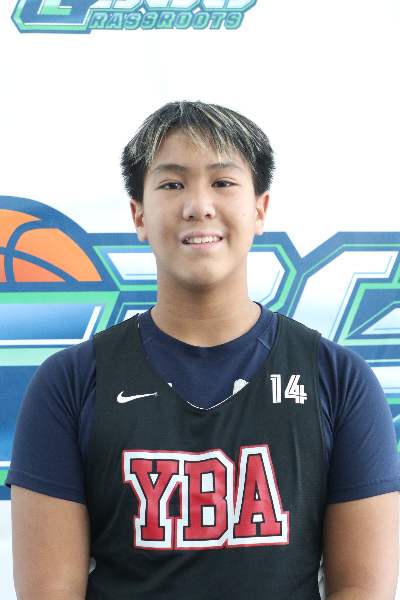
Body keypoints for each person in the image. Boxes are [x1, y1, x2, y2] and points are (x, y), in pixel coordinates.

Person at [7, 101, 400, 600]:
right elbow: (50, 592)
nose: (199, 205)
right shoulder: (70, 383)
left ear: (259, 210)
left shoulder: (339, 379)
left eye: (223, 182)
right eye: (172, 184)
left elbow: (362, 588)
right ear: (139, 215)